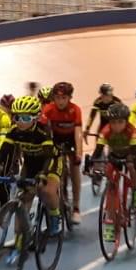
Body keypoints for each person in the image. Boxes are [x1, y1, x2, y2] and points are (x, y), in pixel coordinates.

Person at [0, 94, 63, 235]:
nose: (20, 122)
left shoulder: (43, 131)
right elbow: (2, 153)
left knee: (47, 190)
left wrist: (43, 173)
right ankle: (23, 233)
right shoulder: (14, 131)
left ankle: (55, 216)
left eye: (25, 118)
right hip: (30, 163)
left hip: (50, 162)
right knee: (24, 196)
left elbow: (48, 156)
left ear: (35, 118)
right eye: (17, 118)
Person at [98, 101, 136, 244]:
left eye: (120, 122)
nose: (117, 126)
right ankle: (111, 215)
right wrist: (92, 161)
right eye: (113, 122)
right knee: (110, 177)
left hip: (131, 154)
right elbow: (98, 150)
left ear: (126, 122)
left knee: (133, 167)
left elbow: (135, 151)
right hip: (114, 156)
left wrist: (134, 162)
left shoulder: (132, 132)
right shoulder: (106, 131)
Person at [41, 81, 85, 221]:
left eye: (64, 98)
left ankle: (76, 207)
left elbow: (78, 133)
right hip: (56, 139)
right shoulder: (48, 109)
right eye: (58, 98)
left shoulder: (75, 110)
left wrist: (79, 153)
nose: (60, 101)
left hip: (71, 140)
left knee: (74, 170)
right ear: (53, 98)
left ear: (69, 98)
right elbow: (41, 130)